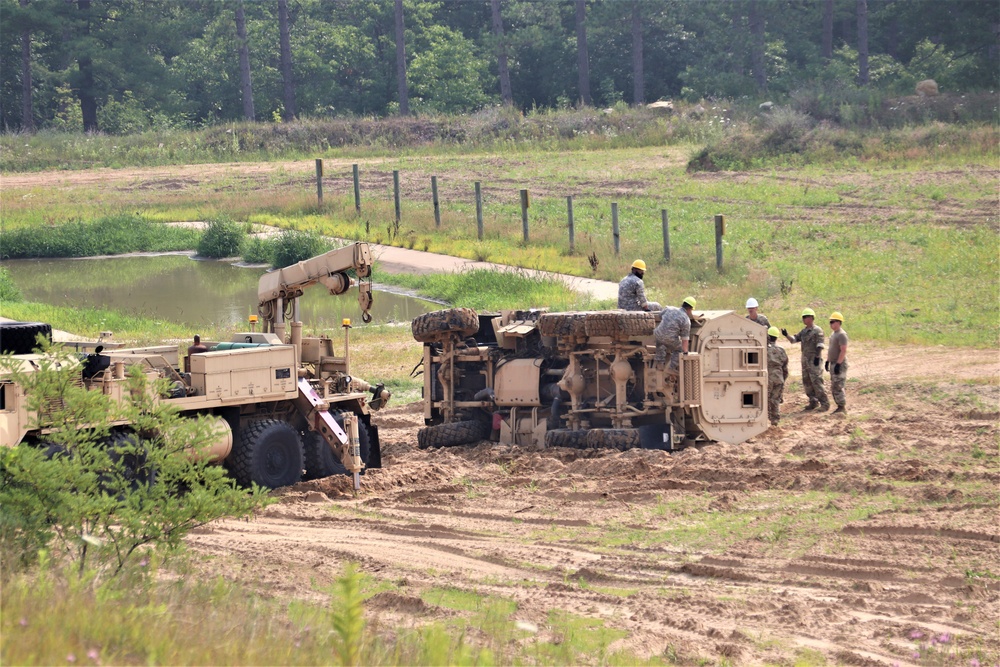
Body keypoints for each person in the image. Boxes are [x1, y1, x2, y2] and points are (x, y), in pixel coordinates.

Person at [782, 307, 829, 412]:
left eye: (806, 317)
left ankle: (825, 403)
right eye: (803, 317)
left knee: (817, 381)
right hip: (805, 361)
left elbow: (820, 345)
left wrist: (817, 357)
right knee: (807, 382)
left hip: (814, 360)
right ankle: (813, 402)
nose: (804, 319)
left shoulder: (817, 330)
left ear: (811, 318)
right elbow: (794, 340)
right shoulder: (803, 332)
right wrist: (786, 335)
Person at [654, 297, 696, 370]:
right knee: (679, 349)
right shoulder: (686, 320)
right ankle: (671, 368)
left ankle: (660, 362)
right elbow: (685, 340)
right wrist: (685, 352)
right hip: (669, 339)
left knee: (660, 343)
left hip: (657, 334)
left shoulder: (669, 308)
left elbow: (660, 316)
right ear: (690, 309)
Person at [826, 312, 849, 414]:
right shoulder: (833, 334)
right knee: (834, 385)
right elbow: (831, 349)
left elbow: (843, 350)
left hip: (839, 363)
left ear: (839, 322)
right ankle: (839, 406)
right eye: (830, 322)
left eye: (833, 322)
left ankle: (842, 407)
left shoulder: (842, 335)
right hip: (833, 362)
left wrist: (839, 364)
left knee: (838, 384)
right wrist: (827, 361)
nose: (831, 324)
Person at [766, 326, 788, 426]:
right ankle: (775, 421)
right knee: (775, 400)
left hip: (767, 378)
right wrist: (783, 379)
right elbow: (785, 368)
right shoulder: (781, 350)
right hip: (779, 378)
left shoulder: (764, 350)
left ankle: (765, 420)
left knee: (765, 399)